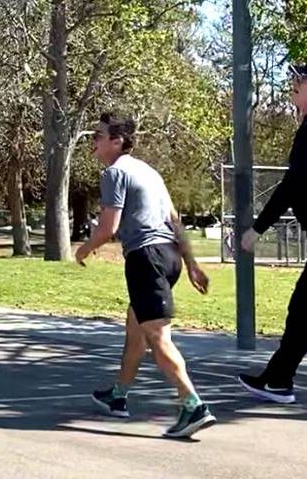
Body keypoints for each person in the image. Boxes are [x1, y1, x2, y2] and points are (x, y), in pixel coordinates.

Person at [76, 112, 216, 439]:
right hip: (168, 256)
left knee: (157, 337)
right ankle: (118, 394)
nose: (93, 141)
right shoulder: (149, 172)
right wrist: (191, 263)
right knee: (135, 328)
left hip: (146, 257)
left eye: (98, 135)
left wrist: (84, 249)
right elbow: (174, 219)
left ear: (117, 141)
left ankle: (192, 404)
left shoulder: (114, 173)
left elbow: (109, 227)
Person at [237, 60, 307, 404]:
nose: (295, 85)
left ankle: (278, 379)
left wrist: (256, 229)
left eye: (301, 80)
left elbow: (293, 185)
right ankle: (277, 379)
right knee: (306, 310)